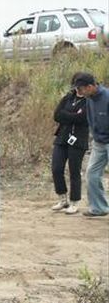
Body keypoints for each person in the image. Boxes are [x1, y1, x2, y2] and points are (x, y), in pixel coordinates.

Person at [50, 76, 89, 214]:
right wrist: (73, 116)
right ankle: (62, 199)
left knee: (74, 171)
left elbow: (83, 118)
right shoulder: (68, 97)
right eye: (76, 86)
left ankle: (74, 202)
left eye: (80, 86)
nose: (78, 89)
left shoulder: (89, 101)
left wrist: (66, 115)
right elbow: (57, 115)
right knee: (56, 168)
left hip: (78, 140)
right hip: (62, 137)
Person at [72, 72, 109, 217]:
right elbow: (91, 119)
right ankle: (99, 208)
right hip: (99, 142)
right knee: (92, 174)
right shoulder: (89, 99)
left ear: (90, 86)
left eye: (80, 89)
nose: (79, 92)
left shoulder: (107, 97)